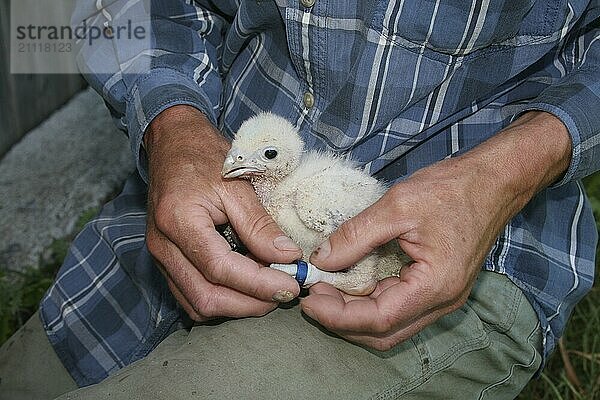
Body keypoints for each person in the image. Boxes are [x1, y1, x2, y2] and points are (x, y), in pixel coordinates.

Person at [1, 1, 598, 399]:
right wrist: (172, 122)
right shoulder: (266, 164)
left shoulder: (316, 194)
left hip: (457, 260)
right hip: (193, 189)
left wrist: (510, 169)